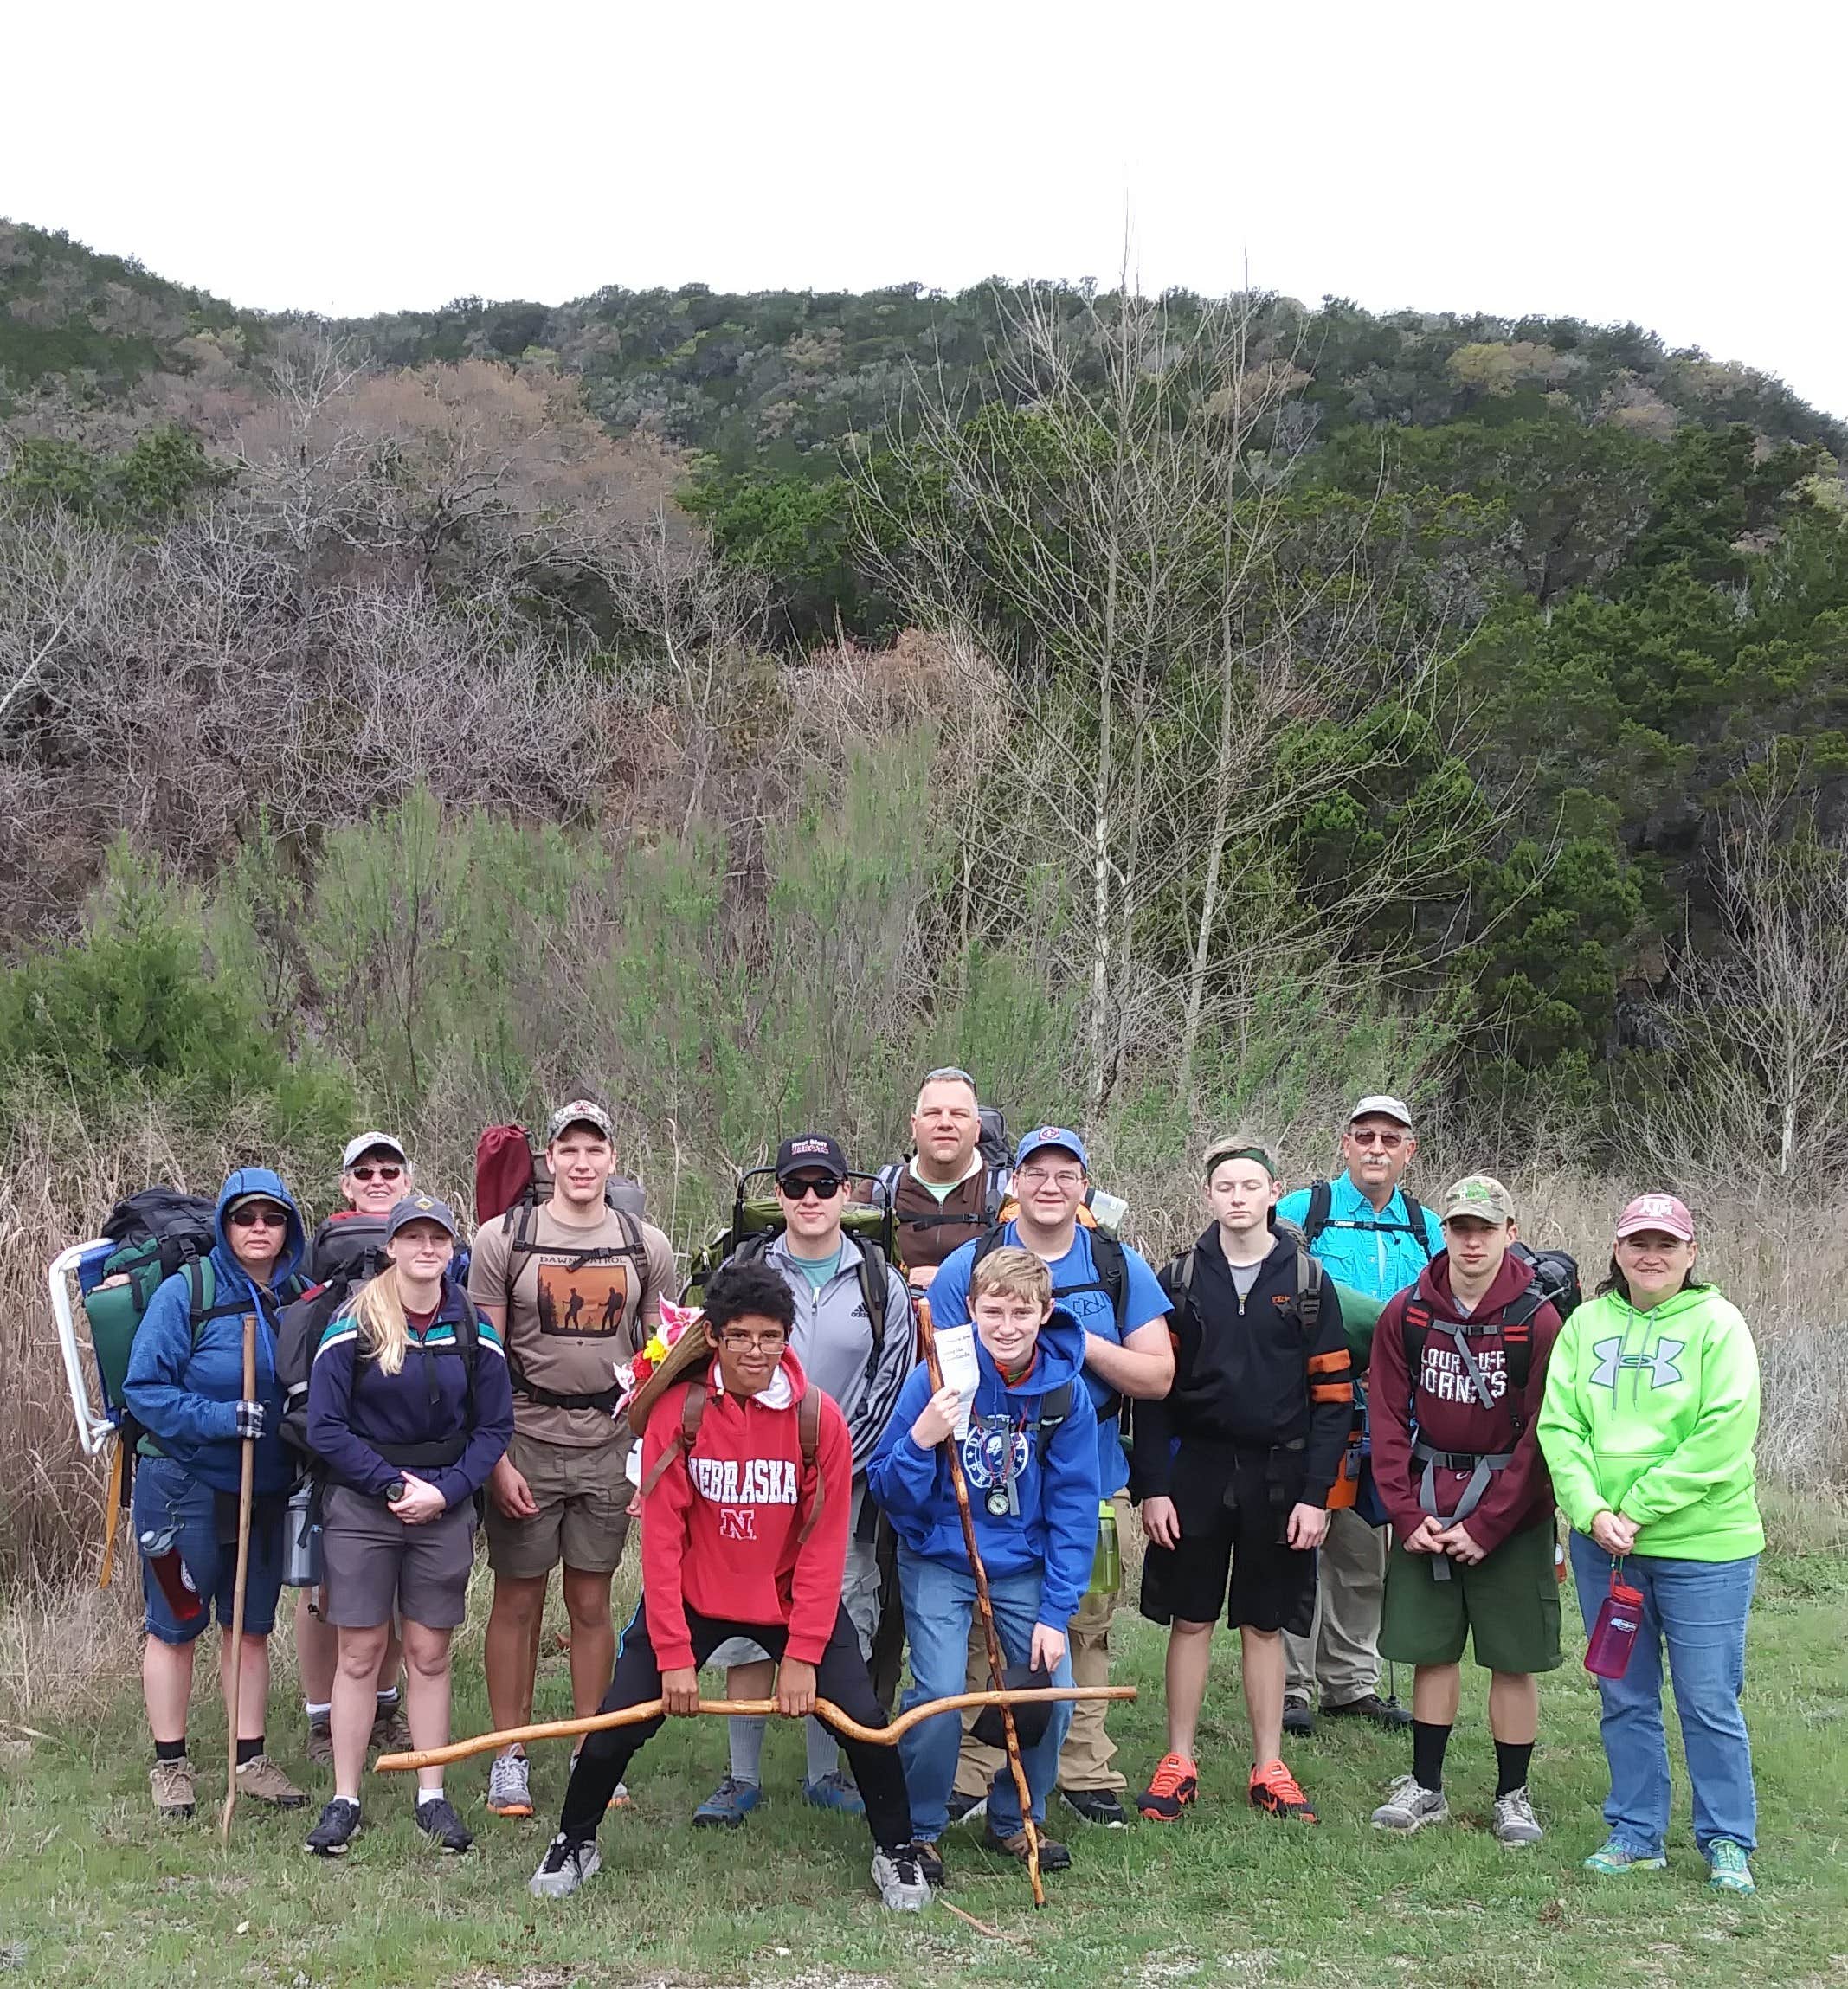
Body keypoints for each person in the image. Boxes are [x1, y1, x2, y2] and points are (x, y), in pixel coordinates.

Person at [530, 1259, 930, 1910]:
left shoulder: (816, 1419)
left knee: (864, 1723)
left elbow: (825, 1544)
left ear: (786, 1338)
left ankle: (897, 1849)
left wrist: (801, 1655)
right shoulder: (678, 1413)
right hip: (693, 1599)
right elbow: (660, 1543)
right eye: (739, 1336)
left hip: (789, 1600)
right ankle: (575, 1840)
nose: (755, 1351)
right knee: (615, 1724)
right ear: (713, 1337)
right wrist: (674, 1655)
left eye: (769, 1337)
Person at [925, 1127, 1171, 1829]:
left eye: (1067, 1174)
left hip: (1087, 1477)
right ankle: (973, 1773)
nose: (1050, 1186)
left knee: (1081, 1625)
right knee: (983, 1631)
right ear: (1013, 1183)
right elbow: (942, 1375)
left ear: (1084, 1187)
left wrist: (1068, 1337)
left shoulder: (1116, 1265)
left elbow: (1157, 1376)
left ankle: (1085, 1768)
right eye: (1036, 1172)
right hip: (988, 1472)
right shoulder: (967, 1266)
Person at [1537, 1194, 1764, 1896]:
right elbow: (1560, 1426)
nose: (1651, 1255)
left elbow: (1723, 1435)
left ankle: (1726, 1839)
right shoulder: (1585, 1323)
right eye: (1638, 1242)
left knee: (1706, 1699)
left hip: (1705, 1547)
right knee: (1624, 1696)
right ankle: (1635, 1833)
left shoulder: (1718, 1324)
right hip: (1605, 1547)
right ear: (1617, 1250)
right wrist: (1589, 1509)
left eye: (1666, 1244)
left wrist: (1635, 1508)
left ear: (1690, 1254)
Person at [694, 1133, 914, 1826]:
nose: (811, 1199)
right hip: (748, 1482)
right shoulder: (745, 1271)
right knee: (741, 1622)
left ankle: (826, 1772)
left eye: (825, 1186)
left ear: (846, 1192)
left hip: (841, 1489)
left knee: (835, 1620)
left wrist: (837, 1469)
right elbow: (708, 1370)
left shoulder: (881, 1282)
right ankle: (740, 1776)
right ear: (778, 1195)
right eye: (796, 1187)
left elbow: (889, 1384)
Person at [467, 1098, 678, 1819]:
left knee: (591, 1601)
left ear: (611, 1159)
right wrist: (494, 1459)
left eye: (595, 1151)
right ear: (549, 1160)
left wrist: (647, 1456)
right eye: (569, 1151)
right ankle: (510, 1754)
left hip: (607, 1443)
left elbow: (664, 1358)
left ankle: (594, 1749)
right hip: (524, 1439)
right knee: (518, 1598)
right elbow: (482, 1361)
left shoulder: (644, 1243)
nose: (582, 1164)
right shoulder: (503, 1239)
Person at [1134, 1140, 1350, 1826]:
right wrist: (1153, 1487)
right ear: (1209, 1197)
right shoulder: (1176, 1278)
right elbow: (1152, 1393)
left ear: (1271, 1194)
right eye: (1224, 1186)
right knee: (1190, 1617)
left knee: (1265, 1623)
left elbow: (1335, 1398)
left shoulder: (1309, 1282)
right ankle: (1178, 1760)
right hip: (1194, 1470)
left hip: (1280, 1477)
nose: (1236, 1197)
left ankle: (1268, 1765)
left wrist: (1317, 1495)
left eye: (1249, 1186)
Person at [868, 1246, 1099, 1883]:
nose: (1005, 1326)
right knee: (939, 1694)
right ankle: (917, 1829)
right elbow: (889, 1488)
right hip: (941, 1557)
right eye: (991, 1311)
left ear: (1044, 1313)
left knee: (1052, 1689)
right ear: (970, 1310)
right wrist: (922, 1438)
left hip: (1023, 1564)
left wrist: (1056, 1610)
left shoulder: (1063, 1393)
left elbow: (1075, 1507)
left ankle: (1016, 1815)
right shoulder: (939, 1375)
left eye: (1020, 1313)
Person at [302, 1194, 514, 1856]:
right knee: (361, 1651)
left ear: (453, 1249)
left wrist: (446, 1490)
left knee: (428, 1651)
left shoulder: (472, 1326)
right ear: (390, 1247)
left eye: (438, 1238)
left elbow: (494, 1428)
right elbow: (324, 1428)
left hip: (442, 1504)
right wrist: (392, 1486)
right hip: (365, 1503)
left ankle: (432, 1796)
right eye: (412, 1237)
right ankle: (345, 1798)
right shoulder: (353, 1322)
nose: (426, 1249)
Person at [1365, 1175, 1564, 1844]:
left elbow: (1543, 1433)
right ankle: (1425, 1786)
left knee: (1512, 1659)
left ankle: (1513, 1795)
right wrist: (1402, 1511)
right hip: (1427, 1506)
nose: (1470, 1241)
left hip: (1512, 1514)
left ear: (1510, 1233)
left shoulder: (1536, 1319)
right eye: (1459, 1228)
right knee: (1430, 1653)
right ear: (1442, 1232)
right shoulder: (1408, 1312)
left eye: (1484, 1228)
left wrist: (1489, 1524)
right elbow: (1387, 1420)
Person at [123, 1168, 312, 1818]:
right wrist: (221, 1417)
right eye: (244, 1218)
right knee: (176, 1624)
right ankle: (170, 1766)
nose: (258, 1229)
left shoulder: (301, 1296)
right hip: (180, 1483)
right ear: (224, 1225)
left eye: (272, 1217)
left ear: (289, 1226)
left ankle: (249, 1757)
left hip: (263, 1487)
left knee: (250, 1626)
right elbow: (143, 1389)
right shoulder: (187, 1292)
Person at [1273, 1094, 1438, 1735]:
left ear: (1407, 1151)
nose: (1375, 1148)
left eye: (1388, 1139)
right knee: (1298, 1541)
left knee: (1364, 1550)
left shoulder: (1425, 1227)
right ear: (1344, 1143)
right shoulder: (1301, 1213)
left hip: (1390, 1413)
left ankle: (1351, 1681)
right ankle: (1290, 1684)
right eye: (1363, 1136)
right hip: (1307, 1405)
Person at [298, 1130, 416, 1769]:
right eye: (363, 1172)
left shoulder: (431, 1247)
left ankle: (385, 1708)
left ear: (407, 1182)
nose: (376, 1180)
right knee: (324, 1586)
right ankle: (325, 1719)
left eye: (388, 1171)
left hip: (416, 1445)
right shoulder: (314, 1251)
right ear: (345, 1184)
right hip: (333, 1441)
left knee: (398, 1585)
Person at [874, 1068, 1007, 1291]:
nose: (945, 1123)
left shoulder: (1010, 1193)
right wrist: (900, 1278)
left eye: (958, 1114)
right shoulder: (880, 1191)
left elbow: (1035, 1275)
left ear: (977, 1129)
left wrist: (951, 1278)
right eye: (933, 1113)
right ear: (914, 1126)